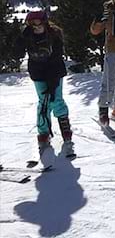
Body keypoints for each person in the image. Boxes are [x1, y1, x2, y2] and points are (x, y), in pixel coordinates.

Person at [14, 10, 75, 161]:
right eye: (33, 24)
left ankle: (66, 133)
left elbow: (57, 55)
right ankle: (43, 133)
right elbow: (17, 54)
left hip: (54, 70)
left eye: (39, 24)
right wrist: (22, 38)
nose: (37, 27)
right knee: (43, 103)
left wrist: (53, 80)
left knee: (56, 100)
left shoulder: (54, 34)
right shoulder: (28, 36)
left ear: (45, 23)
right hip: (38, 72)